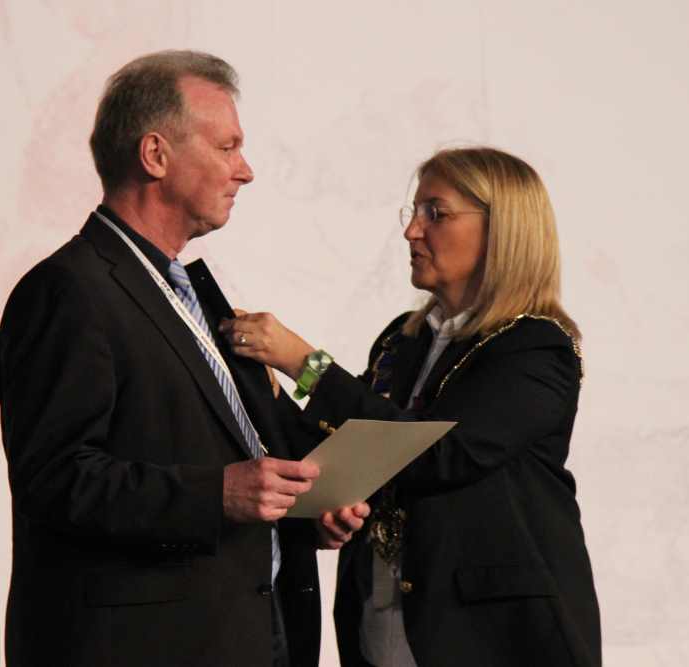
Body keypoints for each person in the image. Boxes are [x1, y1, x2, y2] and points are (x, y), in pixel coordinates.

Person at [0, 50, 366, 667]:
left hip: (249, 633)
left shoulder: (193, 296)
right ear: (155, 155)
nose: (246, 171)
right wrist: (217, 493)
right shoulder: (68, 290)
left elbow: (222, 454)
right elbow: (55, 480)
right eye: (227, 147)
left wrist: (302, 512)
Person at [221, 147, 602, 666]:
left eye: (435, 214)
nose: (411, 231)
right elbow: (349, 450)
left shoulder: (535, 348)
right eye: (414, 212)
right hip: (386, 627)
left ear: (502, 230)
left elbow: (441, 453)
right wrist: (263, 388)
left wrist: (306, 364)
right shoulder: (403, 340)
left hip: (491, 641)